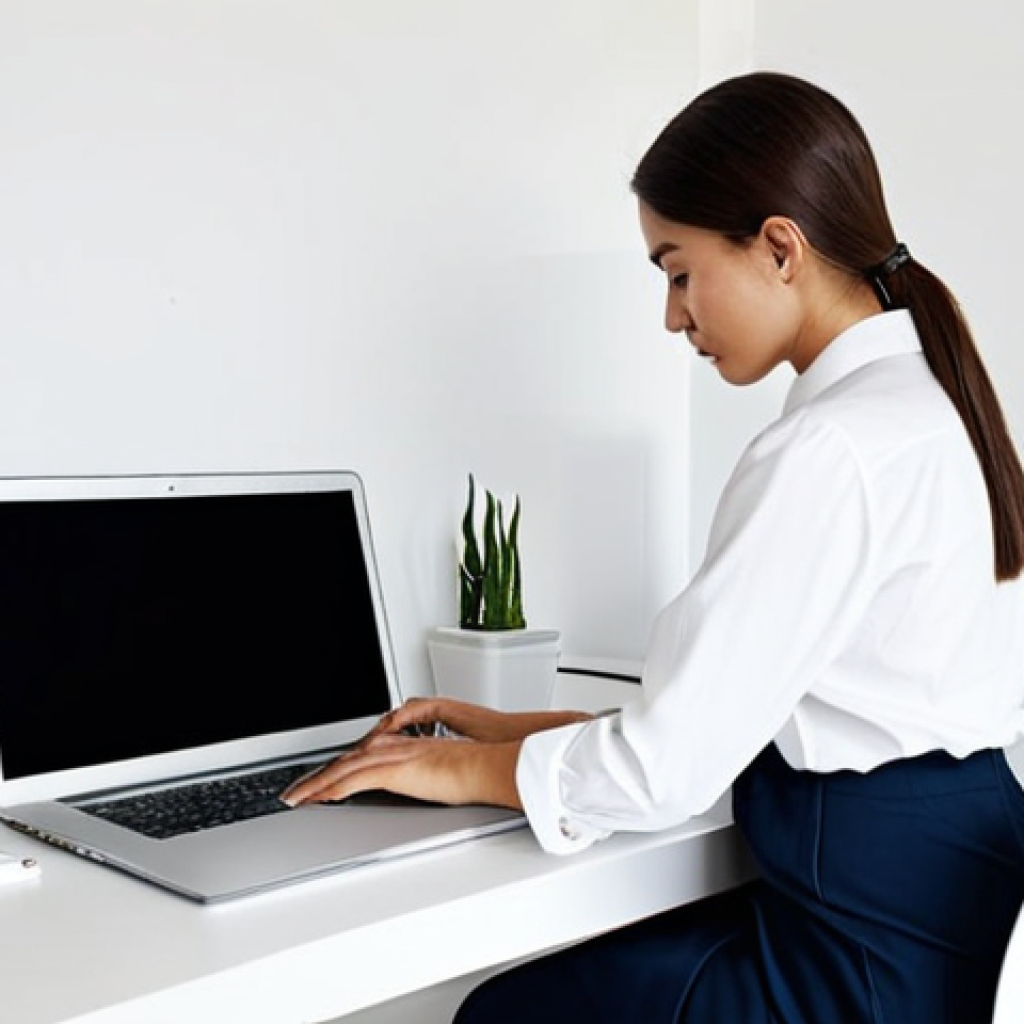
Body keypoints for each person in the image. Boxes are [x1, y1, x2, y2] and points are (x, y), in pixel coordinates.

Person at [283, 71, 1024, 1023]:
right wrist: (507, 730)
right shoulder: (935, 407)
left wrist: (453, 770)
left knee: (500, 1013)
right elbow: (776, 723)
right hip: (937, 926)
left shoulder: (828, 450)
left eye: (678, 272)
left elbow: (665, 771)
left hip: (855, 965)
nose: (674, 316)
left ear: (780, 248)